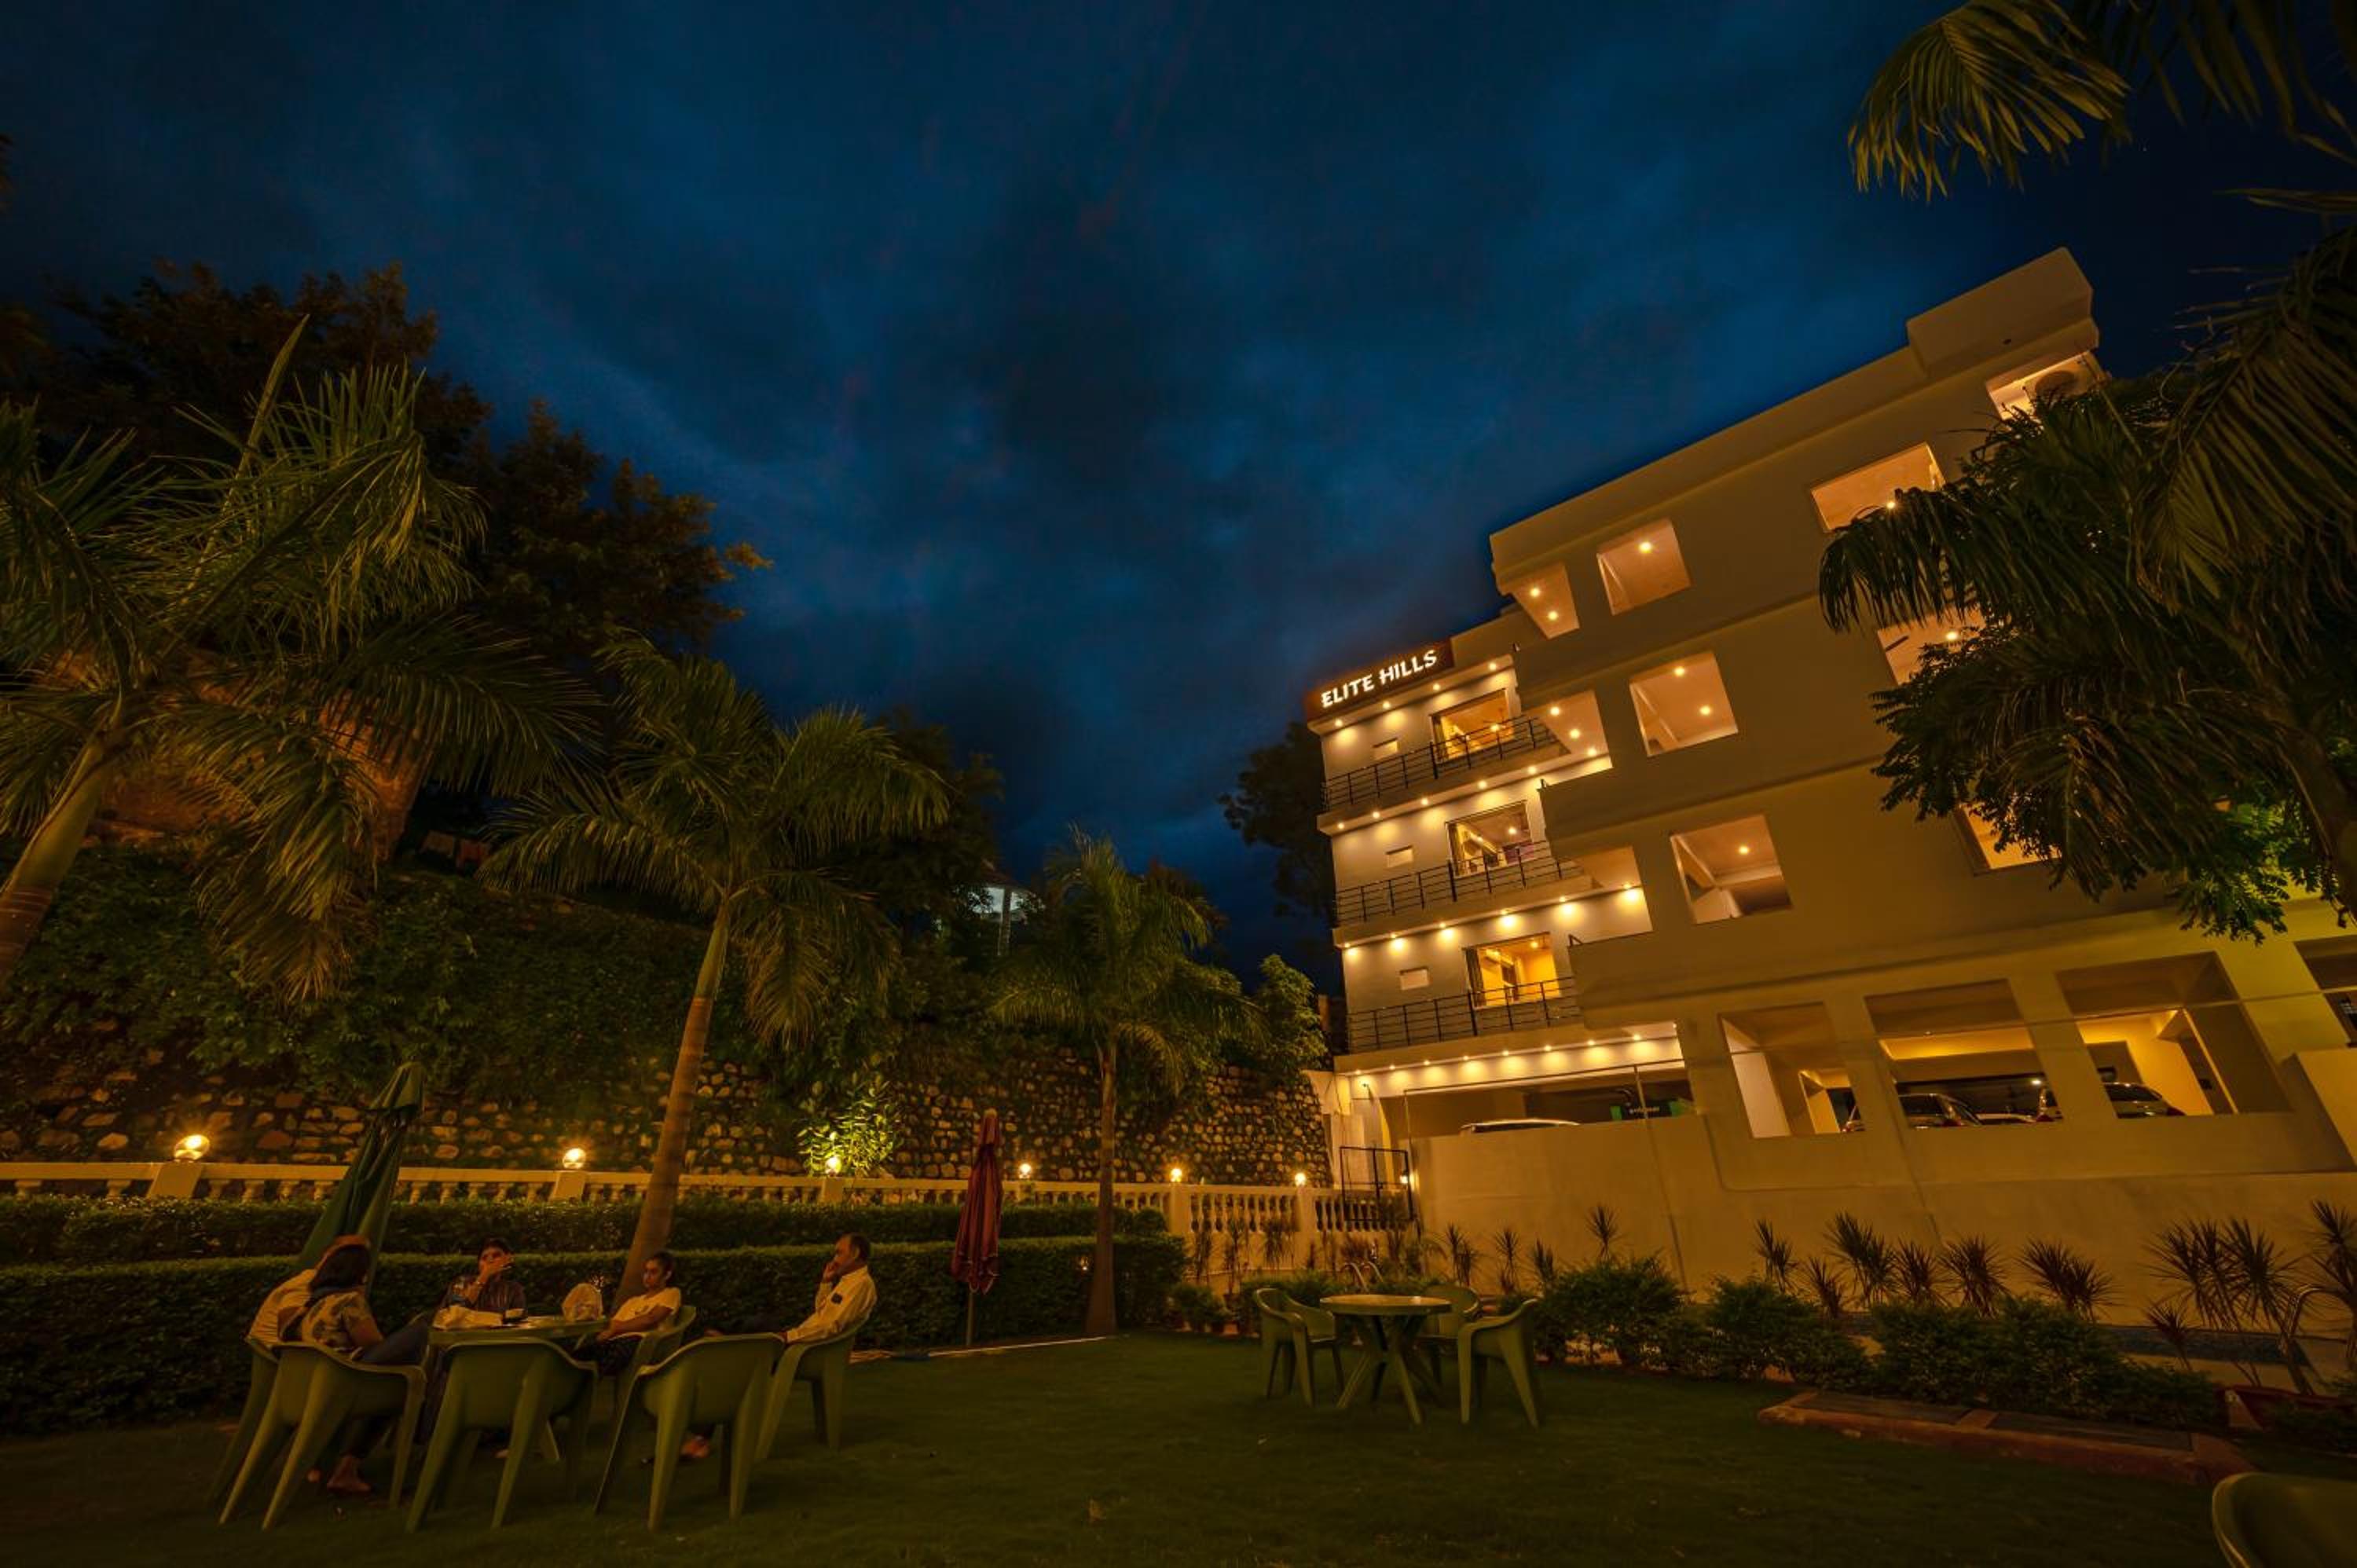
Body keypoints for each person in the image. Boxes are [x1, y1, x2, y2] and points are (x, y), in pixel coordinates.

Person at [679, 1234, 873, 1463]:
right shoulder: (847, 1281)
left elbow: (831, 1327)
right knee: (748, 1339)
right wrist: (825, 1283)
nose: (834, 1258)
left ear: (856, 1254)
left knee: (748, 1339)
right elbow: (822, 1313)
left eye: (839, 1252)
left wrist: (787, 1337)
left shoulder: (861, 1285)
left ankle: (726, 1340)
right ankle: (727, 1340)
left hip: (811, 1352)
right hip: (806, 1341)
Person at [284, 1239, 429, 1497]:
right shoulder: (348, 1301)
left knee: (395, 1380)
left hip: (322, 1382)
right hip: (346, 1380)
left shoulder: (311, 1306)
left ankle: (336, 1468)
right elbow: (373, 1344)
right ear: (359, 1273)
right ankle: (346, 1471)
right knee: (420, 1333)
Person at [246, 1232, 368, 1342]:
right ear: (329, 1255)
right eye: (351, 1254)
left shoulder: (330, 1285)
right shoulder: (308, 1283)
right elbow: (287, 1330)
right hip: (279, 1354)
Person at [585, 1251, 681, 1376]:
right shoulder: (633, 1301)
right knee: (581, 1356)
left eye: (653, 1272)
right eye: (646, 1271)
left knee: (601, 1364)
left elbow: (651, 1319)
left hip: (641, 1343)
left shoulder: (671, 1293)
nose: (647, 1276)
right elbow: (614, 1324)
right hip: (616, 1341)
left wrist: (618, 1329)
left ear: (667, 1275)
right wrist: (621, 1328)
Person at [440, 1236, 526, 1319]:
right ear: (479, 1264)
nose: (490, 1260)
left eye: (496, 1255)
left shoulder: (513, 1289)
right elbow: (455, 1314)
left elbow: (518, 1319)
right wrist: (483, 1278)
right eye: (484, 1258)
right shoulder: (462, 1282)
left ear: (507, 1260)